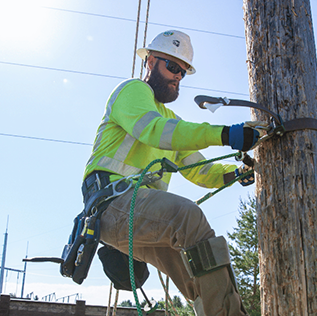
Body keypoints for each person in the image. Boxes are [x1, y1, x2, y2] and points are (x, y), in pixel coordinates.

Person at [82, 30, 264, 316]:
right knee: (187, 217)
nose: (178, 76)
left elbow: (200, 169)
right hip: (111, 204)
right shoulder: (133, 92)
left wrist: (235, 173)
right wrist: (225, 134)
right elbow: (153, 130)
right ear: (151, 62)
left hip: (141, 217)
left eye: (183, 72)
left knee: (195, 272)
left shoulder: (172, 121)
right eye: (172, 67)